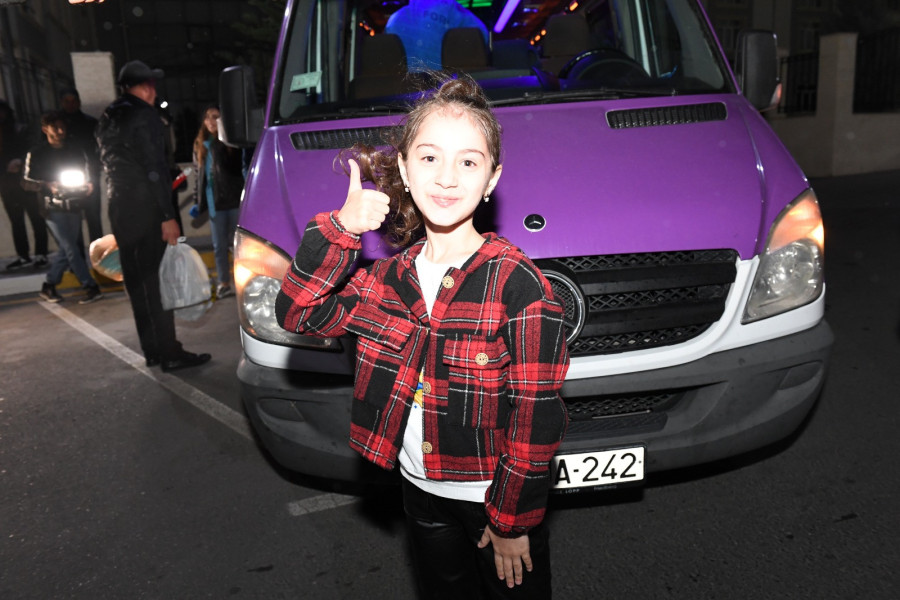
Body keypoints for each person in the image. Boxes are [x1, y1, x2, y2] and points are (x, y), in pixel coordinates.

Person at [275, 75, 569, 598]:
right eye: (430, 158)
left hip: (492, 498)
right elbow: (299, 313)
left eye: (469, 162)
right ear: (405, 170)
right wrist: (341, 228)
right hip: (418, 490)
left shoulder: (518, 284)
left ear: (492, 178)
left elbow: (536, 413)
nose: (448, 178)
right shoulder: (385, 280)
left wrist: (511, 521)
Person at [95, 60, 210, 372]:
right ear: (146, 87)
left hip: (119, 205)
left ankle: (154, 351)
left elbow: (112, 164)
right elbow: (153, 168)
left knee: (138, 284)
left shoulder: (108, 116)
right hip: (147, 208)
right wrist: (166, 214)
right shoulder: (145, 115)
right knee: (158, 281)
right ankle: (170, 352)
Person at [24, 111, 103, 304]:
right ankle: (90, 286)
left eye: (62, 127)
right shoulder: (37, 153)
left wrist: (88, 184)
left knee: (68, 249)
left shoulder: (74, 150)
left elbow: (86, 171)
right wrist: (47, 185)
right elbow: (26, 182)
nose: (60, 131)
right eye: (56, 127)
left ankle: (49, 284)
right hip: (51, 207)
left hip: (74, 203)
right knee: (70, 248)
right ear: (45, 129)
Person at [191, 106, 242, 298]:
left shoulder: (230, 142)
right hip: (214, 204)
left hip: (233, 201)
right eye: (207, 117)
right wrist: (197, 201)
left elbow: (237, 169)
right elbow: (199, 176)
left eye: (215, 117)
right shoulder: (200, 145)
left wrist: (221, 140)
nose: (211, 121)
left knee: (237, 246)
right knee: (219, 246)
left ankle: (243, 283)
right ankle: (224, 283)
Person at [1, 100, 49, 271]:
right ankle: (23, 254)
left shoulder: (20, 130)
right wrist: (6, 166)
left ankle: (40, 253)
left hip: (25, 180)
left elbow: (32, 149)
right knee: (16, 220)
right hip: (7, 183)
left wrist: (20, 161)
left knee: (36, 218)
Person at [385, 0, 489, 71]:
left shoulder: (395, 20)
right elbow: (481, 39)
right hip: (444, 86)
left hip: (405, 89)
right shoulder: (457, 13)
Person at [58, 88, 103, 245]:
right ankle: (78, 254)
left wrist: (95, 169)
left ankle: (98, 252)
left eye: (73, 101)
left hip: (89, 174)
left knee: (93, 216)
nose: (70, 105)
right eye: (67, 101)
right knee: (73, 219)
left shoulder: (90, 123)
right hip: (65, 175)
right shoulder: (58, 125)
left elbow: (98, 148)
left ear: (79, 102)